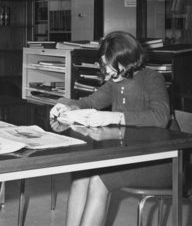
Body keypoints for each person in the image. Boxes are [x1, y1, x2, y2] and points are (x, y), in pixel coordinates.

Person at [50, 31, 172, 226]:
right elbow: (89, 102)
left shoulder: (152, 78)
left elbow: (160, 117)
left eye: (111, 66)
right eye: (105, 65)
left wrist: (114, 117)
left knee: (100, 178)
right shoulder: (116, 81)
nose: (107, 71)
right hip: (129, 155)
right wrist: (65, 104)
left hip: (159, 161)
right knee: (81, 175)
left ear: (128, 59)